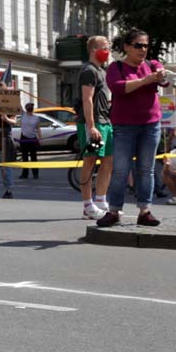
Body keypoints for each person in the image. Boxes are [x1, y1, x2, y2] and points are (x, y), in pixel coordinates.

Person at [98, 28, 166, 228]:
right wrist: (145, 80)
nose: (143, 49)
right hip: (124, 126)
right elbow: (119, 88)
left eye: (146, 45)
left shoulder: (152, 64)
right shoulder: (115, 67)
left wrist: (160, 76)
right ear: (127, 47)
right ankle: (114, 211)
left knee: (147, 169)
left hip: (151, 125)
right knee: (120, 170)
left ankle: (145, 211)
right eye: (138, 45)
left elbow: (163, 77)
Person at [77, 36, 114, 219]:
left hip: (105, 123)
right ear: (93, 50)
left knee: (108, 160)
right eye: (105, 48)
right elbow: (87, 99)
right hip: (95, 124)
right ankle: (87, 206)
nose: (107, 51)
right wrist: (91, 126)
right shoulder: (89, 71)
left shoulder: (102, 71)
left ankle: (100, 201)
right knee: (90, 160)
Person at [18, 102, 42, 179]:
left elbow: (38, 128)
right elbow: (18, 105)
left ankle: (35, 173)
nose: (30, 109)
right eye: (28, 108)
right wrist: (16, 94)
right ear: (26, 108)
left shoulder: (36, 118)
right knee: (24, 157)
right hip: (24, 138)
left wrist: (40, 138)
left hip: (33, 139)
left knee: (33, 157)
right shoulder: (23, 115)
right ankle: (25, 174)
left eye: (31, 108)